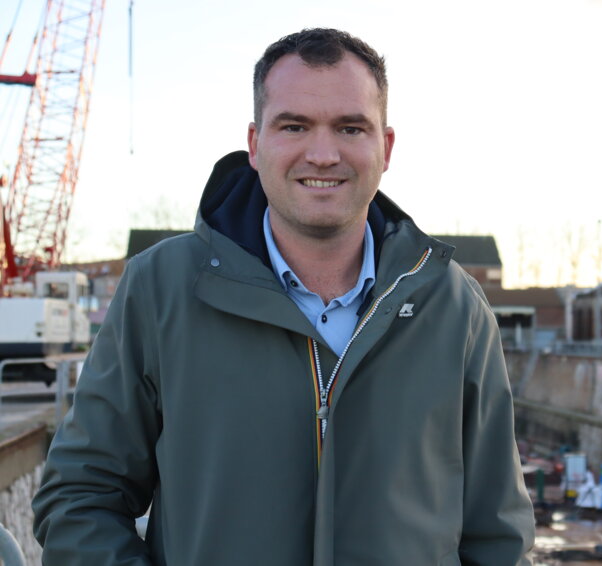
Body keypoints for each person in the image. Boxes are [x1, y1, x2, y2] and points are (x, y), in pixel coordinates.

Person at [32, 28, 535, 565]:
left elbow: (498, 538)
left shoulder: (455, 308)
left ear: (385, 148)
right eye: (294, 126)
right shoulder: (160, 289)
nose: (322, 154)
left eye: (350, 127)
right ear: (254, 143)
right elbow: (78, 500)